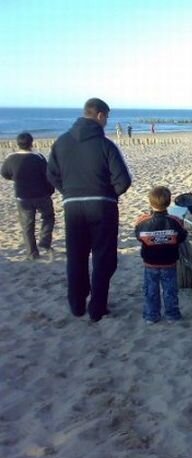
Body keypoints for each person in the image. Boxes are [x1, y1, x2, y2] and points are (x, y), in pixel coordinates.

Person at [47, 97, 132, 322]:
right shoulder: (105, 145)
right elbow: (123, 181)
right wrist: (109, 194)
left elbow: (51, 174)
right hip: (102, 206)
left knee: (76, 257)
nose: (106, 123)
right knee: (104, 258)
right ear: (100, 116)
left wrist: (68, 192)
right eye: (107, 118)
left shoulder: (61, 142)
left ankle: (76, 304)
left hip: (73, 207)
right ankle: (97, 307)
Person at [134, 186, 187, 323]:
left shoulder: (142, 221)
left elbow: (138, 236)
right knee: (170, 290)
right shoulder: (175, 221)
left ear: (150, 203)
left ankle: (152, 316)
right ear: (169, 202)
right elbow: (182, 236)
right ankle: (172, 315)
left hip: (150, 262)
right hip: (169, 262)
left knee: (151, 290)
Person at [1, 132, 55, 260]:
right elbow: (48, 175)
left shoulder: (11, 158)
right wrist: (50, 190)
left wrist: (16, 178)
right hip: (41, 194)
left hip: (23, 196)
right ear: (32, 143)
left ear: (18, 144)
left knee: (27, 225)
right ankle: (45, 241)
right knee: (48, 217)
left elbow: (4, 173)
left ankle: (32, 253)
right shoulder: (39, 158)